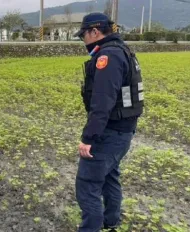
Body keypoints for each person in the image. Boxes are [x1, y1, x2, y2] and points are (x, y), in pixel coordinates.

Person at [73, 12, 144, 232]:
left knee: (88, 184)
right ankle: (110, 221)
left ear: (94, 32)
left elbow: (102, 101)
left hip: (110, 132)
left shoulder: (108, 57)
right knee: (110, 176)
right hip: (123, 131)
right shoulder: (123, 51)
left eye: (83, 34)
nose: (83, 40)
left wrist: (88, 138)